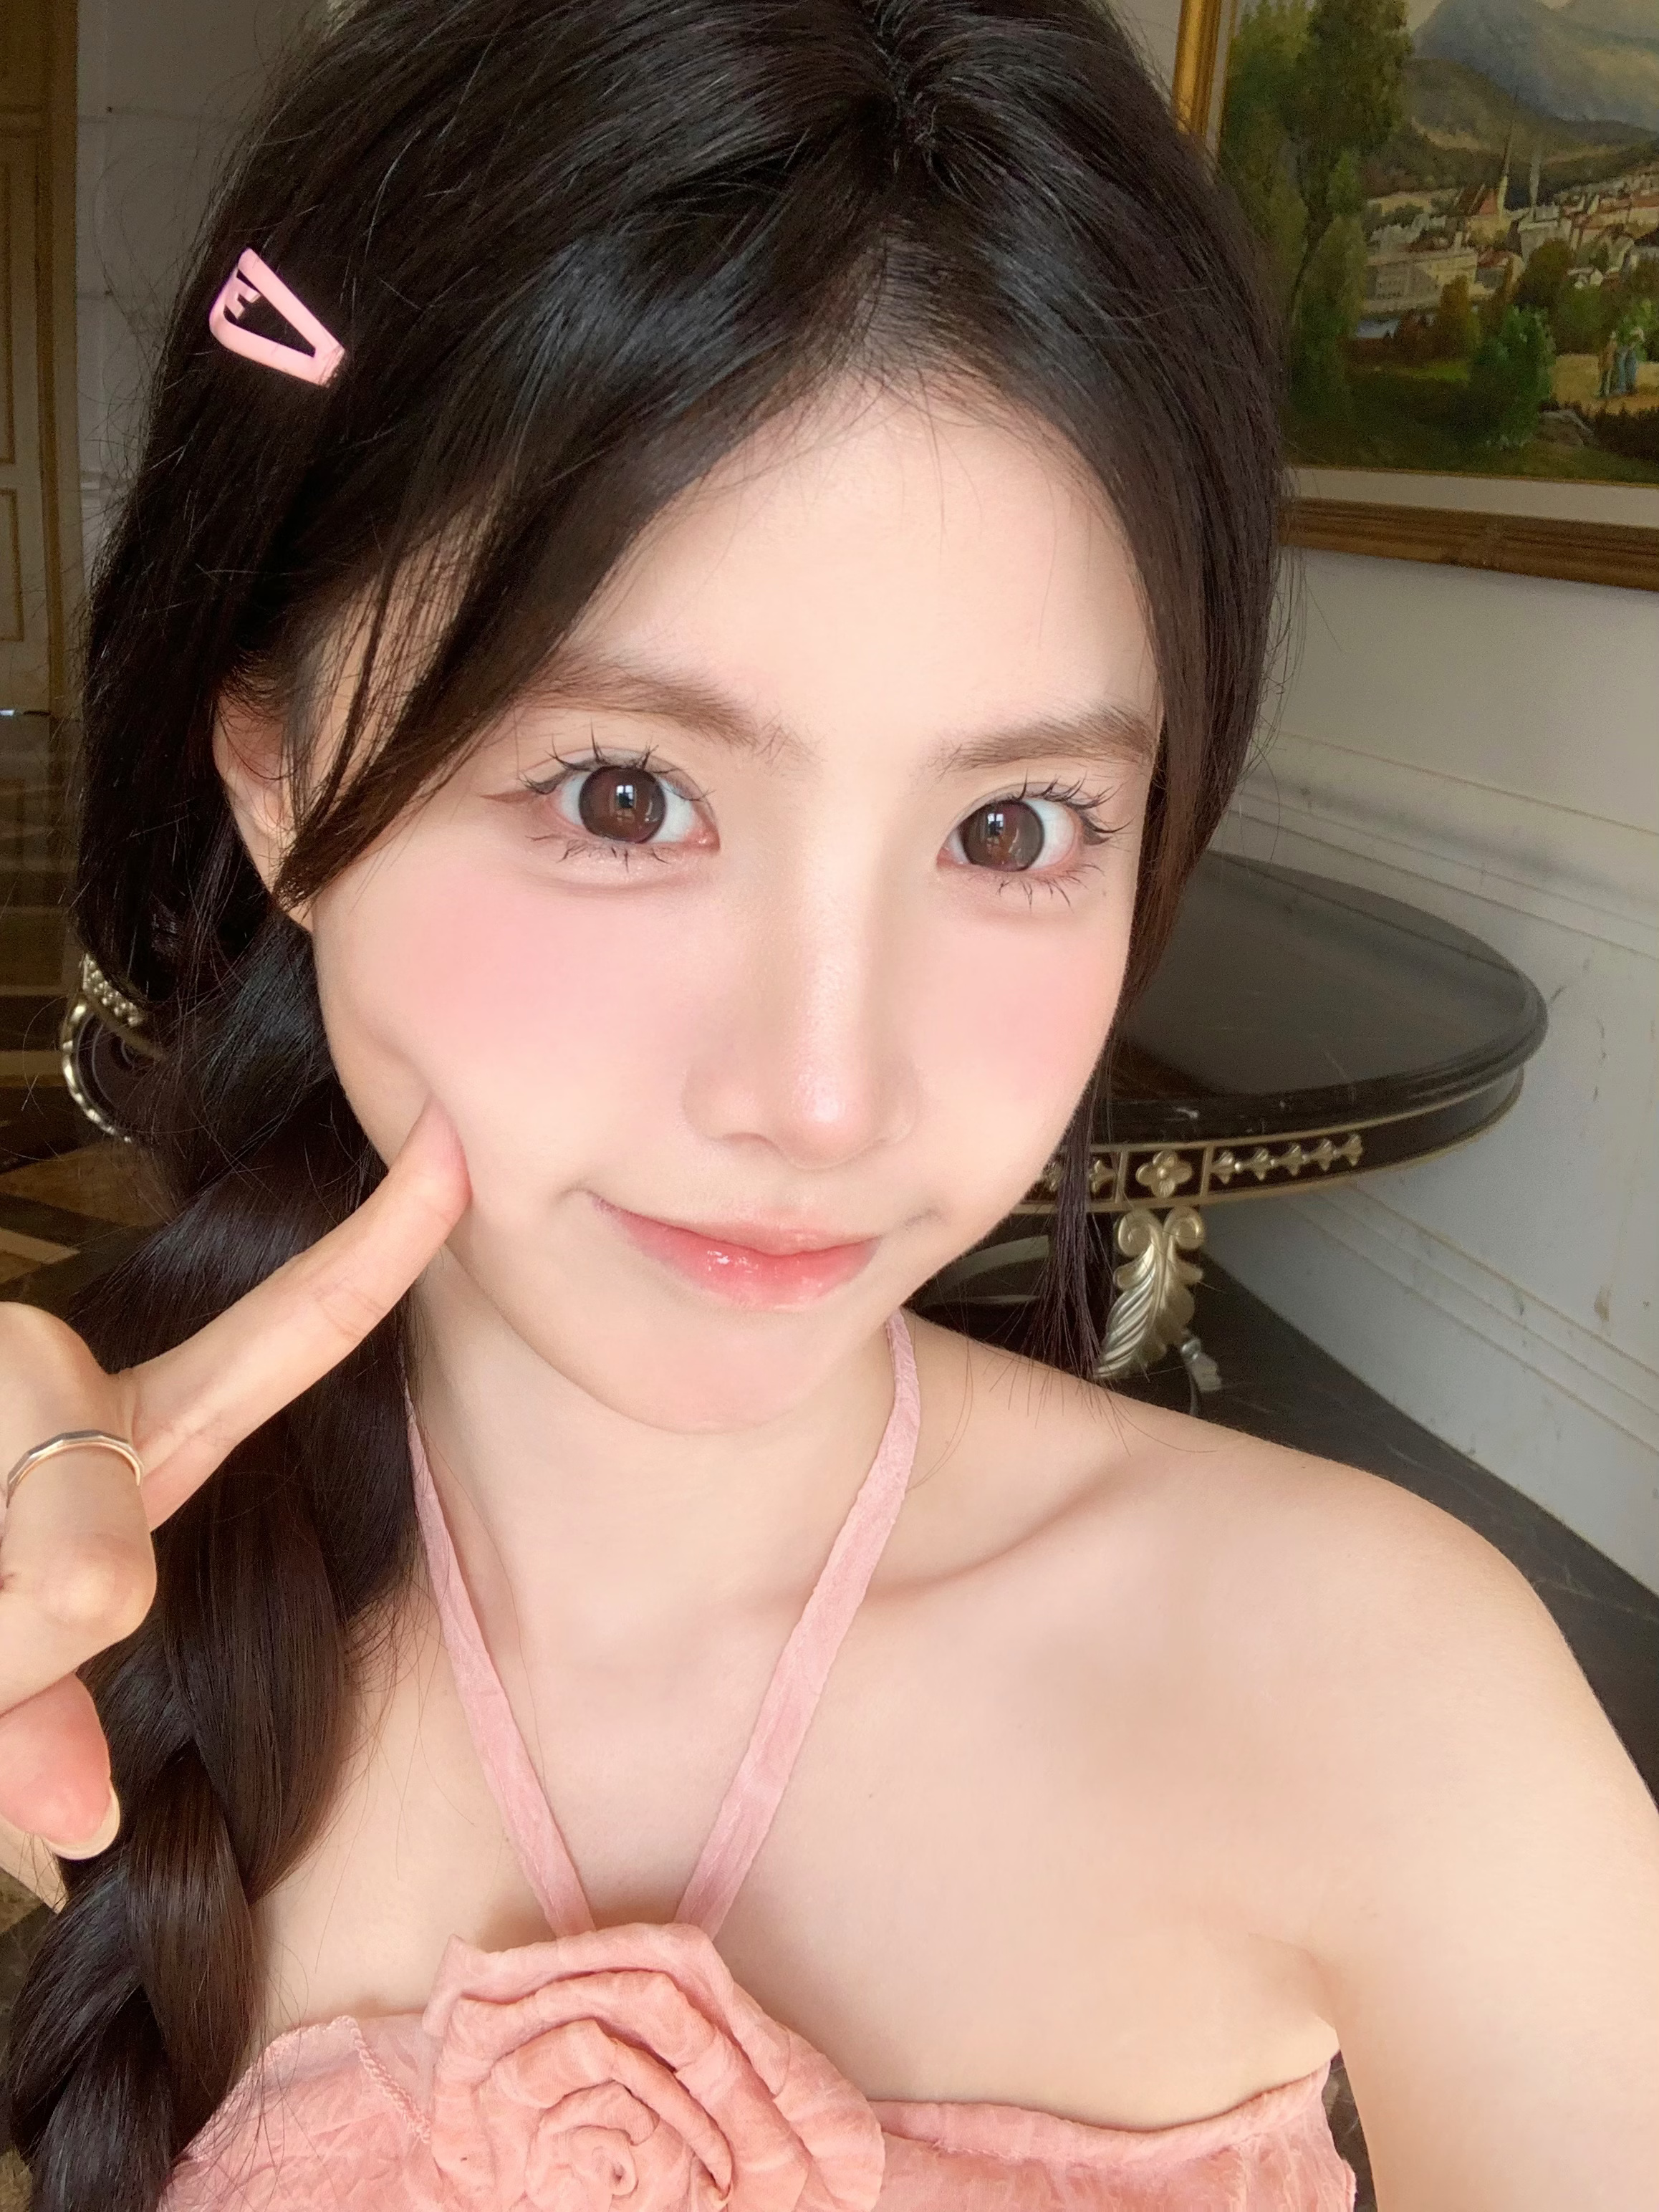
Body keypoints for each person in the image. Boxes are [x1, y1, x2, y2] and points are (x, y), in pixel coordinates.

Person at [1, 1, 1657, 2207]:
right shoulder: (86, 1634)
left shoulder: (1391, 1698)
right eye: (622, 794)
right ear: (281, 786)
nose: (820, 1095)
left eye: (1009, 830)